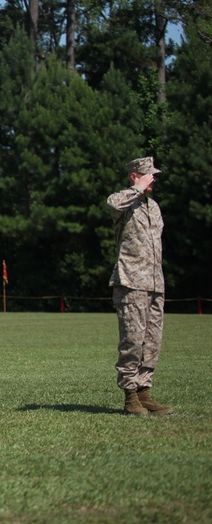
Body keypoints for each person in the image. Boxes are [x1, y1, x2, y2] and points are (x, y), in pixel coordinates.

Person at [107, 157, 173, 416]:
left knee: (151, 341)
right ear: (135, 176)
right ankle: (130, 395)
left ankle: (145, 392)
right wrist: (135, 189)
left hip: (155, 283)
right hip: (131, 281)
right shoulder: (122, 202)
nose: (153, 179)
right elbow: (111, 203)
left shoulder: (153, 207)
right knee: (132, 341)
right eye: (148, 175)